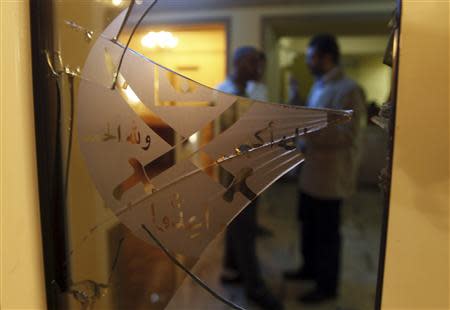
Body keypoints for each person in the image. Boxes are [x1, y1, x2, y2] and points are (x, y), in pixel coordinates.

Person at [283, 34, 367, 303]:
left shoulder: (349, 89)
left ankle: (326, 286)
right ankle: (309, 269)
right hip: (311, 173)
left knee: (327, 234)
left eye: (311, 57)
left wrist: (306, 130)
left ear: (327, 57)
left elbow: (347, 134)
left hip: (330, 176)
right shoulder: (319, 87)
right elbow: (313, 123)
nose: (308, 62)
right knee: (308, 226)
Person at [217, 46, 283, 310]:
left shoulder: (258, 91)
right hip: (234, 170)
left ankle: (230, 270)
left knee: (241, 221)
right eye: (255, 63)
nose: (260, 69)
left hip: (254, 166)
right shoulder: (221, 91)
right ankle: (254, 287)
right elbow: (227, 134)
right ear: (240, 62)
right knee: (244, 226)